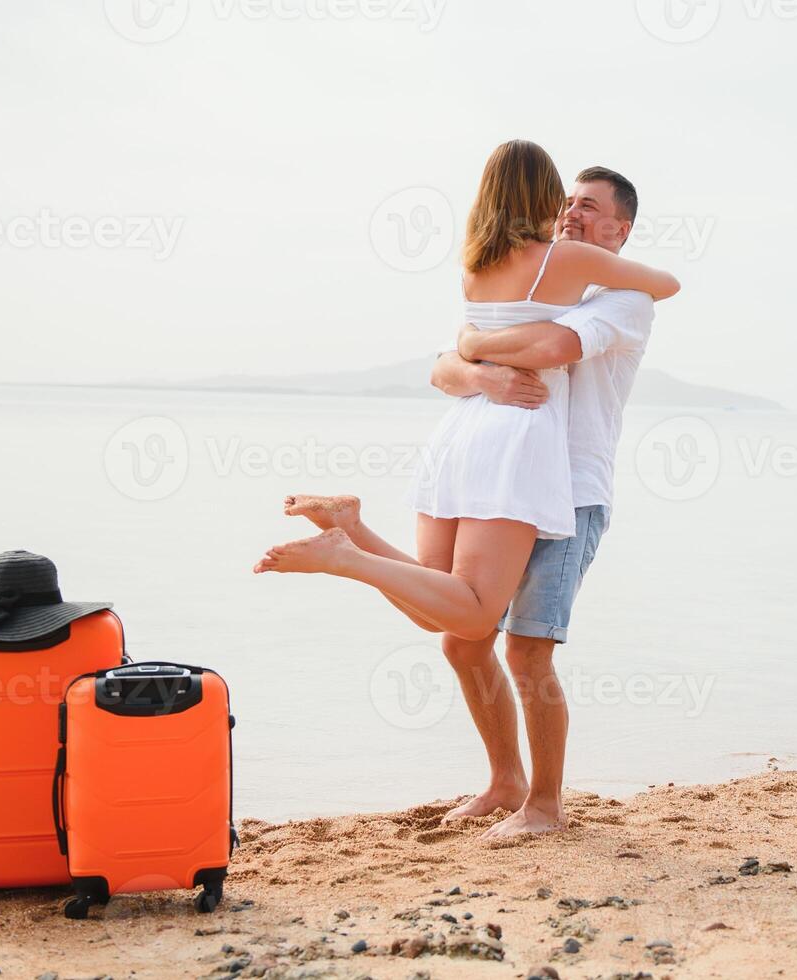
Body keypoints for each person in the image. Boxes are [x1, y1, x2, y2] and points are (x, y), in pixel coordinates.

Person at [254, 141, 678, 836]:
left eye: (590, 207)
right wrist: (472, 362)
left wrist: (472, 344)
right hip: (503, 461)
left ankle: (545, 806)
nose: (573, 213)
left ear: (619, 230)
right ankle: (506, 783)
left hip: (567, 490)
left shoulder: (622, 301)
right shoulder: (542, 276)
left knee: (525, 648)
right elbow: (442, 370)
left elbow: (548, 350)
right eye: (568, 200)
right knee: (462, 640)